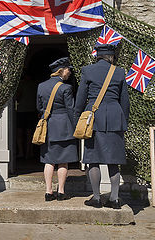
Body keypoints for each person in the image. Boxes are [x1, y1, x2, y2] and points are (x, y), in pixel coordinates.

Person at [74, 44, 130, 209]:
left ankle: (97, 198)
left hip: (94, 118)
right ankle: (114, 199)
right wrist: (123, 121)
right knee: (114, 161)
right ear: (111, 57)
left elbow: (80, 98)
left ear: (97, 56)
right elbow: (125, 101)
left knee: (93, 160)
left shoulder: (87, 71)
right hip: (115, 118)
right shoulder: (119, 72)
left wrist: (78, 118)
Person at [36, 57, 78, 201]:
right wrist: (76, 129)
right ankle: (61, 192)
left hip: (49, 128)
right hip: (65, 128)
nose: (70, 72)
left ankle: (48, 192)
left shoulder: (41, 86)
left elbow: (39, 108)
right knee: (63, 161)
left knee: (49, 161)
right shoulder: (66, 88)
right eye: (68, 69)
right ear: (61, 71)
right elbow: (71, 110)